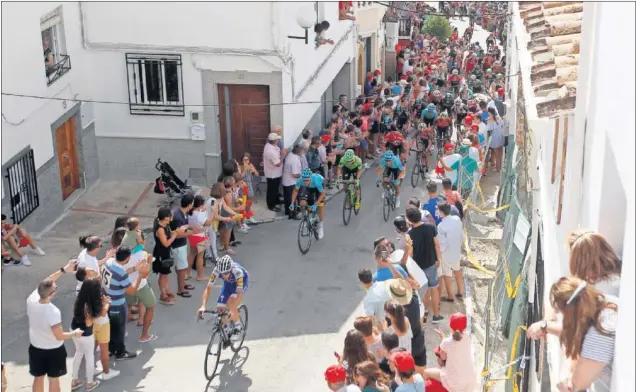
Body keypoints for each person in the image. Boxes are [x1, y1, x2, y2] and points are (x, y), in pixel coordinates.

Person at [528, 277, 617, 392]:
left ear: (569, 313)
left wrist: (563, 375)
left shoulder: (599, 334)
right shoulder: (605, 302)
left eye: (562, 313)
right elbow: (577, 332)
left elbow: (575, 385)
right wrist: (545, 326)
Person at [27, 259, 83, 392]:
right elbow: (59, 336)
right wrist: (75, 333)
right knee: (54, 380)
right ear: (52, 294)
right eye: (55, 288)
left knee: (38, 378)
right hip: (53, 351)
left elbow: (45, 282)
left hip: (36, 348)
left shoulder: (31, 300)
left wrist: (64, 270)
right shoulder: (52, 311)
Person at [102, 246, 150, 360]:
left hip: (107, 301)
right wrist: (140, 275)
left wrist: (135, 268)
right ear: (127, 258)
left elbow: (122, 273)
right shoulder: (120, 273)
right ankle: (120, 353)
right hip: (117, 304)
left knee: (111, 328)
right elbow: (131, 291)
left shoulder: (109, 262)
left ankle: (111, 349)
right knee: (119, 330)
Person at [405, 206, 444, 324]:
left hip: (418, 268)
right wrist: (438, 259)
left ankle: (424, 313)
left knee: (423, 292)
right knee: (434, 289)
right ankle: (436, 316)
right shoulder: (431, 227)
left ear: (409, 220)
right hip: (431, 264)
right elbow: (437, 245)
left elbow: (410, 254)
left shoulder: (409, 234)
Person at [197, 255, 248, 340]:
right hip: (228, 284)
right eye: (222, 273)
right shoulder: (216, 270)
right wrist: (203, 306)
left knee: (231, 304)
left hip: (240, 283)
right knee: (220, 307)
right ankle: (225, 327)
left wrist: (232, 309)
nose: (224, 275)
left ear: (230, 269)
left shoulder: (237, 271)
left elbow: (239, 293)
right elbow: (208, 289)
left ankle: (237, 327)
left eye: (226, 273)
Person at [424, 313, 476, 392]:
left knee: (426, 372)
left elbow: (443, 357)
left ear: (450, 326)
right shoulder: (468, 338)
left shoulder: (446, 342)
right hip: (470, 382)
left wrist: (443, 339)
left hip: (455, 384)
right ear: (465, 327)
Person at [123, 234, 158, 343]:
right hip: (141, 286)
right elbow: (146, 273)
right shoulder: (142, 254)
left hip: (127, 286)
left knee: (127, 306)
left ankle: (124, 329)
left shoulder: (121, 255)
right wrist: (149, 261)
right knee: (151, 306)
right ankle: (144, 335)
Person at [70, 279, 103, 391]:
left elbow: (74, 311)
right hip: (86, 334)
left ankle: (74, 380)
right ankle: (89, 383)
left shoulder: (79, 300)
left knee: (79, 353)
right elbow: (88, 322)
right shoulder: (88, 305)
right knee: (89, 356)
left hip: (74, 329)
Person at [170, 193, 198, 298]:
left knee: (180, 266)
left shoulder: (181, 212)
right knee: (182, 268)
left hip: (181, 244)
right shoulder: (178, 216)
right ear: (190, 204)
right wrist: (192, 232)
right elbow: (177, 234)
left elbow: (183, 227)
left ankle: (183, 284)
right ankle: (181, 290)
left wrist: (190, 227)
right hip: (178, 246)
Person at [437, 200, 465, 302]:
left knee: (447, 274)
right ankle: (460, 292)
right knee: (457, 271)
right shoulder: (457, 219)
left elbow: (442, 245)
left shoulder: (441, 226)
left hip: (446, 255)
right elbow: (462, 236)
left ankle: (450, 296)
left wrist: (439, 255)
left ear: (441, 212)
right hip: (456, 251)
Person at [289, 168, 327, 240]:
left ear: (310, 178)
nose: (305, 181)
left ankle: (321, 226)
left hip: (318, 186)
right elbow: (295, 191)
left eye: (307, 180)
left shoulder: (316, 180)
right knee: (302, 202)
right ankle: (306, 217)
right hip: (309, 188)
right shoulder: (300, 180)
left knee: (320, 205)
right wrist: (292, 203)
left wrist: (316, 204)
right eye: (304, 180)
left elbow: (322, 194)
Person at [152, 207, 177, 305]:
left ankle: (166, 290)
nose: (172, 217)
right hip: (161, 254)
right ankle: (163, 294)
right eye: (170, 215)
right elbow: (165, 243)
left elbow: (170, 233)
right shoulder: (160, 229)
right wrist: (174, 236)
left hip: (165, 253)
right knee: (163, 274)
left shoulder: (166, 225)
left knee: (166, 274)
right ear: (166, 217)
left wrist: (174, 233)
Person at [187, 195, 210, 281]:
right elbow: (208, 223)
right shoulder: (200, 215)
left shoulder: (191, 212)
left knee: (192, 254)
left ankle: (187, 273)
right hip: (201, 236)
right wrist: (210, 214)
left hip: (192, 235)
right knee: (200, 256)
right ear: (201, 205)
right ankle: (200, 275)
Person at [263, 132, 285, 212]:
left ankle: (276, 200)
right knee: (271, 190)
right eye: (277, 139)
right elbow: (278, 164)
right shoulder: (270, 151)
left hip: (276, 173)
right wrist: (283, 156)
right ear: (275, 141)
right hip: (272, 174)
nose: (278, 140)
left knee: (275, 189)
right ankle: (271, 205)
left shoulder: (271, 146)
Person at [282, 144, 303, 220]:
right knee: (292, 199)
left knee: (287, 198)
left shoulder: (290, 154)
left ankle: (288, 212)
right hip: (291, 182)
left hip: (286, 181)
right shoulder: (295, 160)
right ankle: (293, 214)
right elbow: (294, 174)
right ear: (299, 151)